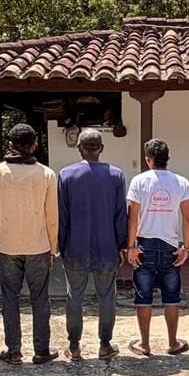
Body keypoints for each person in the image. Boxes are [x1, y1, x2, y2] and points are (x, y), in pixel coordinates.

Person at [0, 124, 60, 365]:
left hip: (8, 245)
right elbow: (52, 216)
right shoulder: (47, 174)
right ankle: (41, 350)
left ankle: (14, 350)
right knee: (40, 298)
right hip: (38, 245)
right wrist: (52, 247)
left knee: (10, 298)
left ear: (10, 144)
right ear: (34, 145)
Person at [57, 129, 127, 361]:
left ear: (79, 148)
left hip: (75, 247)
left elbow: (63, 216)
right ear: (102, 148)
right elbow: (120, 216)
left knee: (74, 296)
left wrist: (61, 245)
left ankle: (74, 345)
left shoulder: (66, 175)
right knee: (106, 296)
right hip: (107, 246)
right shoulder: (116, 175)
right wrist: (122, 246)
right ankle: (105, 344)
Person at [126, 138, 189, 356]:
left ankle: (144, 343)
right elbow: (187, 218)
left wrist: (130, 246)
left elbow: (132, 218)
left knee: (142, 296)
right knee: (171, 296)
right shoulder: (182, 183)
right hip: (170, 245)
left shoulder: (139, 182)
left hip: (144, 243)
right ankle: (173, 342)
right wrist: (186, 247)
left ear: (148, 159)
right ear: (168, 159)